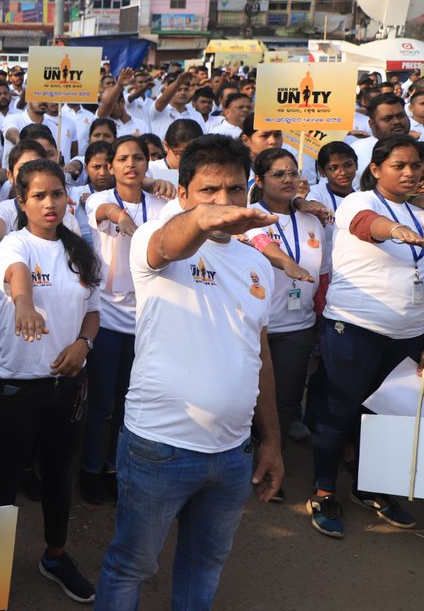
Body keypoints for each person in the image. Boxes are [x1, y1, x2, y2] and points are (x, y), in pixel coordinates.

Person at [94, 134, 283, 609]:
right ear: (181, 194)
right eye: (209, 190)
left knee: (205, 566)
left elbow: (258, 355)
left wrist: (272, 441)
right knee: (131, 566)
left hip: (233, 454)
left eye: (235, 189)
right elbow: (169, 244)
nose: (224, 202)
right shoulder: (153, 240)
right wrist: (201, 218)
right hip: (160, 449)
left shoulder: (258, 264)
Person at [0, 158, 102, 602]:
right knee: (3, 481)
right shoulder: (14, 245)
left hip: (67, 385)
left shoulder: (80, 251)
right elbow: (18, 278)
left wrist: (83, 346)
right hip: (16, 385)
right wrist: (23, 304)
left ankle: (55, 555)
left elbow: (93, 311)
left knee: (58, 475)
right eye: (38, 195)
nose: (49, 203)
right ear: (22, 201)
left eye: (57, 193)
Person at [310, 135, 424, 538]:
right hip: (355, 328)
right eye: (399, 165)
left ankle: (371, 488)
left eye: (415, 165)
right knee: (340, 411)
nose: (409, 172)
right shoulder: (359, 202)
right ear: (375, 169)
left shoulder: (419, 214)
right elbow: (366, 227)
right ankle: (324, 491)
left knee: (387, 416)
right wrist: (394, 229)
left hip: (408, 334)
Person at [80, 137, 168, 505]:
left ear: (148, 163)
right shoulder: (98, 198)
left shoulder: (162, 203)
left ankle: (116, 468)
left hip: (148, 318)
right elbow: (106, 213)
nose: (131, 164)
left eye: (138, 158)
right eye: (122, 159)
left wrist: (158, 187)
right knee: (100, 403)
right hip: (107, 317)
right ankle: (89, 469)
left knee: (130, 401)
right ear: (111, 165)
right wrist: (125, 220)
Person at [245, 148, 327, 503]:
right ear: (259, 180)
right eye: (278, 174)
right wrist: (286, 263)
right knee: (249, 397)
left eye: (293, 172)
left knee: (287, 400)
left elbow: (324, 272)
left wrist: (323, 317)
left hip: (298, 325)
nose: (288, 179)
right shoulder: (249, 215)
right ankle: (245, 461)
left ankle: (272, 464)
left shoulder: (312, 219)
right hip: (256, 324)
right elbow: (259, 240)